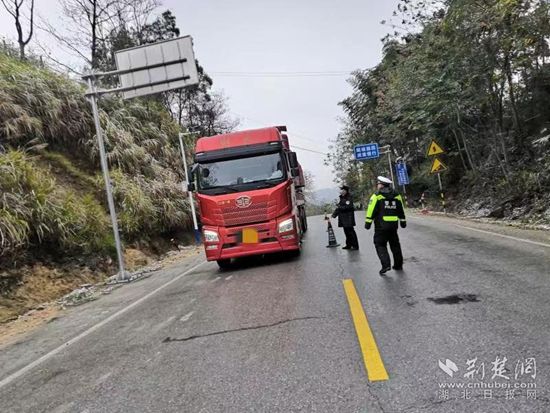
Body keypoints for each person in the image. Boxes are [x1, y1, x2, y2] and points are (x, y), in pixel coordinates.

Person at [364, 176, 406, 274]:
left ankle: (386, 265)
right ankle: (398, 265)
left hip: (381, 225)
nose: (377, 185)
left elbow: (371, 210)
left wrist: (368, 222)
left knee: (380, 244)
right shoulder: (397, 195)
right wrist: (403, 221)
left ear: (382, 185)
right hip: (393, 225)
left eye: (378, 184)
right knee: (395, 244)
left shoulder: (377, 196)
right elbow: (401, 209)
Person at [332, 185, 359, 250]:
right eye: (342, 190)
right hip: (343, 218)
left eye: (343, 190)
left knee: (351, 232)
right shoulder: (342, 198)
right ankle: (348, 245)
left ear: (346, 191)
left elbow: (348, 207)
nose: (342, 191)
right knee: (346, 232)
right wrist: (334, 215)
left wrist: (339, 207)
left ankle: (355, 245)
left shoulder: (349, 198)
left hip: (348, 218)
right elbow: (339, 207)